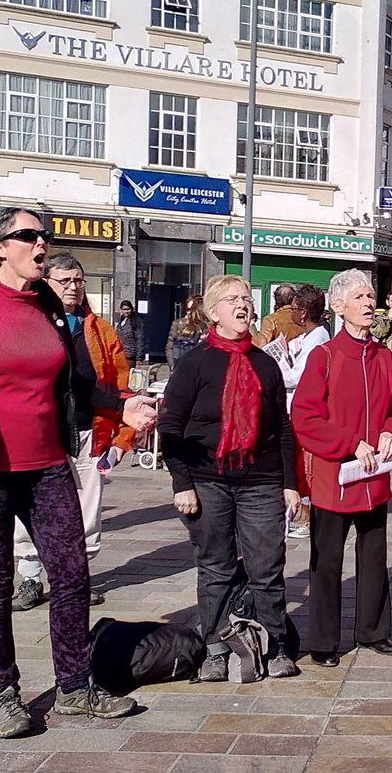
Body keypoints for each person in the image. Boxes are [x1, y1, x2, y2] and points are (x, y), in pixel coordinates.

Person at [0, 207, 142, 737]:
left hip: (48, 467)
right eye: (28, 235)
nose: (41, 243)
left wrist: (119, 405)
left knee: (72, 575)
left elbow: (74, 383)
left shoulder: (49, 306)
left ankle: (74, 688)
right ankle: (3, 695)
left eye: (44, 235)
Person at [159, 274, 300, 682]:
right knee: (215, 567)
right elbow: (170, 425)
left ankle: (274, 644)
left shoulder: (265, 364)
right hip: (207, 479)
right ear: (213, 313)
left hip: (261, 480)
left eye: (246, 299)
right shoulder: (195, 363)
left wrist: (291, 483)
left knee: (266, 566)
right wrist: (182, 483)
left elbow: (283, 428)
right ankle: (216, 649)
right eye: (233, 299)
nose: (243, 305)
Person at [12, 253, 150, 610]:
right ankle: (30, 577)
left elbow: (120, 387)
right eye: (65, 281)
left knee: (86, 509)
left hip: (89, 430)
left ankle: (78, 578)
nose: (73, 287)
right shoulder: (31, 321)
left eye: (78, 280)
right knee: (29, 506)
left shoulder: (100, 329)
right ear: (45, 282)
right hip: (39, 433)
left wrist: (122, 439)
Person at [292, 269, 392, 667]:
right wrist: (348, 444)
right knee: (327, 562)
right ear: (338, 306)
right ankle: (324, 641)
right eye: (360, 297)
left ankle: (374, 631)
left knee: (374, 557)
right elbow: (305, 417)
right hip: (335, 479)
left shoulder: (384, 356)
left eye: (370, 296)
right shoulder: (324, 356)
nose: (368, 303)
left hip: (374, 478)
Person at [273, 284, 330, 541]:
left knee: (304, 465)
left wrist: (275, 368)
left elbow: (299, 376)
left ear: (304, 313)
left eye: (294, 309)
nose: (291, 313)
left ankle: (306, 517)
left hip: (304, 410)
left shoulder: (318, 339)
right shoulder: (309, 337)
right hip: (295, 406)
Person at [253, 284, 306, 348]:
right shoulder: (302, 318)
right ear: (294, 299)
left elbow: (261, 345)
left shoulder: (271, 320)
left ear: (276, 299)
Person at [166, 294, 207, 371]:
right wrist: (172, 366)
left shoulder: (206, 327)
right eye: (187, 309)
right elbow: (169, 347)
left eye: (191, 309)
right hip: (180, 367)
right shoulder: (178, 324)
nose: (188, 312)